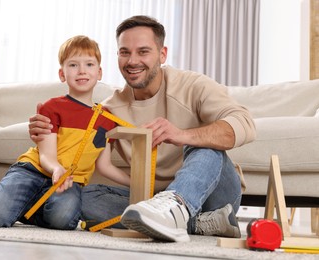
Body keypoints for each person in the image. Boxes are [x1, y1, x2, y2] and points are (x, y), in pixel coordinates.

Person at [29, 16, 256, 241]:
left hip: (214, 196)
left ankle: (175, 208)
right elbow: (79, 149)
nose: (132, 61)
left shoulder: (192, 85)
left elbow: (244, 123)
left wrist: (182, 135)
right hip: (153, 199)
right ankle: (199, 223)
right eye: (125, 52)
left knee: (202, 147)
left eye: (143, 51)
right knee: (85, 196)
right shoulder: (109, 110)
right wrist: (47, 130)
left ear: (162, 54)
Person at [0, 35, 130, 229]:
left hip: (69, 183)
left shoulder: (106, 118)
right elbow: (47, 155)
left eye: (89, 64)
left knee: (63, 219)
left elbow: (104, 166)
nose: (82, 70)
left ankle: (19, 207)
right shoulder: (52, 107)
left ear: (99, 72)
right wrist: (56, 169)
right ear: (62, 74)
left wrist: (137, 183)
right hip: (33, 171)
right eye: (73, 65)